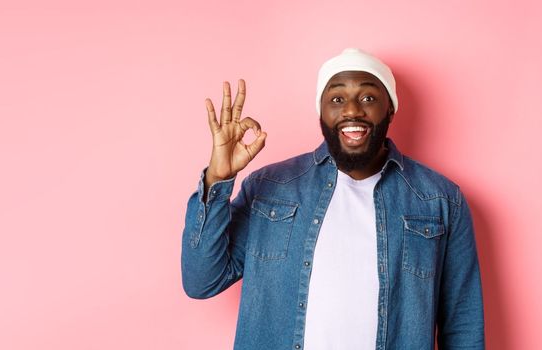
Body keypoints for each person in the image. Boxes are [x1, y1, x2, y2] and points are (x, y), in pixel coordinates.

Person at [180, 48, 485, 349]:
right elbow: (202, 280)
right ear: (321, 112)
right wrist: (217, 180)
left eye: (368, 98)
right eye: (337, 99)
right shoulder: (270, 188)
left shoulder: (440, 200)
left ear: (390, 109)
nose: (352, 110)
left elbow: (462, 326)